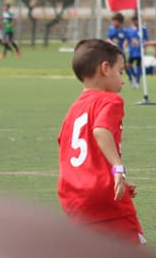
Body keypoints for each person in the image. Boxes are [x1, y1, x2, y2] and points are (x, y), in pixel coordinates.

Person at [57, 38, 144, 243]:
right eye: (120, 71)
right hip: (105, 197)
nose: (122, 80)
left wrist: (107, 176)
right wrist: (117, 169)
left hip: (73, 197)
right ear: (105, 68)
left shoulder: (74, 108)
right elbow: (101, 130)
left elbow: (65, 146)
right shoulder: (111, 100)